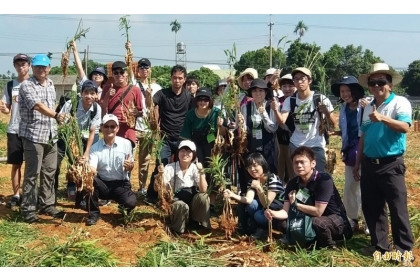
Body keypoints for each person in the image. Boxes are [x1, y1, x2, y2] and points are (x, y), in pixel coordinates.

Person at [354, 63, 414, 266]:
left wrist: (382, 118)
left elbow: (405, 127)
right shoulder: (368, 106)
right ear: (369, 86)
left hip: (391, 164)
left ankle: (404, 250)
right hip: (370, 164)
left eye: (381, 82)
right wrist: (358, 163)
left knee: (398, 209)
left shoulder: (400, 103)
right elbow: (363, 136)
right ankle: (380, 245)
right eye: (373, 82)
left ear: (389, 84)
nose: (377, 85)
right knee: (372, 207)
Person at [265, 146, 352, 249]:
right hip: (309, 218)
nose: (299, 165)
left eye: (302, 162)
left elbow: (318, 212)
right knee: (282, 223)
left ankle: (330, 245)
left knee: (318, 222)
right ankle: (309, 241)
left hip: (335, 221)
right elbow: (285, 211)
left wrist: (296, 205)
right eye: (295, 163)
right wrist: (272, 213)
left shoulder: (324, 180)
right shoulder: (292, 183)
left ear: (313, 164)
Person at [18, 54, 66, 223]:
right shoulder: (27, 85)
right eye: (38, 66)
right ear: (32, 68)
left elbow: (51, 105)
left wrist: (57, 119)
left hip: (51, 135)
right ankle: (29, 209)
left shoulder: (51, 84)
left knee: (49, 171)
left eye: (44, 66)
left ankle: (47, 204)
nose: (41, 69)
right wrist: (57, 115)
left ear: (49, 68)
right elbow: (38, 106)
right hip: (34, 135)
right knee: (32, 173)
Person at [146, 65, 194, 204]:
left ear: (184, 79)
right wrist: (148, 96)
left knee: (182, 166)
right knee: (161, 165)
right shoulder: (162, 94)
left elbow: (193, 115)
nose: (177, 81)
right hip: (165, 138)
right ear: (170, 78)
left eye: (180, 78)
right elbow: (150, 105)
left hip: (182, 139)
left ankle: (178, 193)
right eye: (174, 78)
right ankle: (152, 194)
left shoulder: (189, 97)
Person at [273, 67, 337, 173]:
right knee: (299, 178)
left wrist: (326, 112)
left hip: (316, 145)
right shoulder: (290, 100)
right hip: (296, 145)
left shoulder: (320, 98)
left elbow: (334, 124)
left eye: (302, 78)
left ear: (310, 80)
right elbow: (281, 122)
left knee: (319, 177)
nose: (299, 82)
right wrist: (275, 110)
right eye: (296, 79)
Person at [329, 75, 369, 235]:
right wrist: (338, 133)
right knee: (350, 187)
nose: (344, 94)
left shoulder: (366, 105)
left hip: (365, 153)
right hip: (350, 152)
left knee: (366, 188)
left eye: (347, 90)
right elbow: (349, 131)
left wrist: (370, 108)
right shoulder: (344, 108)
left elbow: (366, 130)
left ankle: (368, 221)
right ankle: (352, 219)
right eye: (342, 91)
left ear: (355, 91)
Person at [180, 87, 228, 216]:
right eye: (200, 99)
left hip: (212, 147)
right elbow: (185, 136)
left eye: (205, 99)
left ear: (210, 100)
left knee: (213, 173)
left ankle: (211, 205)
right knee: (198, 172)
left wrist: (220, 125)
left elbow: (223, 133)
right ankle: (198, 203)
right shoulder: (190, 114)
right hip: (195, 146)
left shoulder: (216, 112)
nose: (202, 102)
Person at [82, 114, 137, 226]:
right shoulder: (95, 148)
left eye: (112, 126)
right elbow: (93, 168)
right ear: (101, 127)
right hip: (103, 184)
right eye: (106, 126)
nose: (109, 129)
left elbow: (130, 165)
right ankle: (94, 214)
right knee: (90, 180)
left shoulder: (126, 144)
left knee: (131, 202)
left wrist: (129, 166)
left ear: (117, 128)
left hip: (120, 184)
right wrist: (86, 170)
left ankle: (123, 209)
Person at [55, 80, 102, 208]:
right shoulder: (71, 105)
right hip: (67, 136)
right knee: (61, 164)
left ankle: (82, 196)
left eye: (92, 93)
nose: (89, 96)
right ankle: (54, 195)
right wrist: (71, 144)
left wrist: (86, 153)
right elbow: (61, 124)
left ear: (96, 95)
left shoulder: (97, 109)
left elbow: (93, 131)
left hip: (85, 138)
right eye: (86, 93)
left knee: (84, 163)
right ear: (81, 93)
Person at [223, 152, 285, 239]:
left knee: (258, 215)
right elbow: (248, 199)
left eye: (255, 165)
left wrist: (259, 189)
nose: (252, 169)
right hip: (264, 212)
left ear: (262, 164)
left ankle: (265, 229)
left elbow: (267, 204)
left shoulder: (272, 178)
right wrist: (232, 195)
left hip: (277, 212)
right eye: (249, 167)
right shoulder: (252, 182)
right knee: (252, 205)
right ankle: (260, 229)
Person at [156, 140, 210, 234]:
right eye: (182, 151)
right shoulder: (169, 167)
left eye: (188, 151)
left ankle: (195, 221)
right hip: (177, 203)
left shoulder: (195, 168)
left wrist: (201, 171)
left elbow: (203, 189)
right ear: (178, 153)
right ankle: (178, 228)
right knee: (180, 205)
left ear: (193, 154)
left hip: (192, 203)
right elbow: (157, 189)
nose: (185, 154)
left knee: (204, 197)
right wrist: (160, 176)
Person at [0, 54, 31, 208]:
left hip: (32, 130)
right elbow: (6, 108)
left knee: (32, 165)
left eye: (24, 64)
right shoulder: (10, 85)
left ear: (29, 66)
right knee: (16, 164)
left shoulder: (34, 84)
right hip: (14, 129)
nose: (21, 67)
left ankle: (29, 194)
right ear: (15, 67)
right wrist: (4, 108)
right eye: (18, 64)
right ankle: (17, 195)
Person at [132, 56, 162, 196]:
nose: (144, 70)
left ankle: (142, 187)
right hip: (134, 127)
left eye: (146, 67)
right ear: (137, 70)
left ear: (150, 70)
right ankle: (125, 185)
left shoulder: (156, 88)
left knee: (145, 160)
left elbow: (158, 108)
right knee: (128, 157)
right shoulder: (133, 85)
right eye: (141, 68)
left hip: (149, 129)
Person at [100, 61, 143, 148]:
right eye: (116, 73)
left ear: (127, 73)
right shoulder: (107, 88)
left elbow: (141, 112)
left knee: (127, 159)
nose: (119, 75)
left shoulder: (135, 90)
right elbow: (103, 110)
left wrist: (137, 113)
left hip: (128, 129)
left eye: (122, 72)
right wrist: (107, 96)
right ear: (113, 75)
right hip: (111, 129)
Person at [271, 73, 296, 184]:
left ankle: (294, 191)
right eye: (284, 86)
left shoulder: (298, 101)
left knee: (293, 167)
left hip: (295, 140)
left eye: (290, 86)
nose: (287, 89)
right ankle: (280, 191)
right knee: (280, 165)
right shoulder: (278, 101)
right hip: (279, 139)